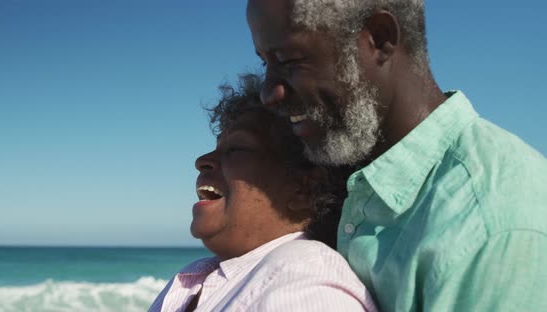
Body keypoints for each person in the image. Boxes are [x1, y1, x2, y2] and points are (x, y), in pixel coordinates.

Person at [246, 0, 547, 311]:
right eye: (264, 62)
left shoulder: (489, 227)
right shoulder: (340, 174)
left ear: (379, 38)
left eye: (290, 60)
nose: (269, 94)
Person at [148, 74, 377, 312]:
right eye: (217, 148)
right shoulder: (199, 276)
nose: (202, 161)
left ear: (303, 189)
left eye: (236, 149)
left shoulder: (303, 285)